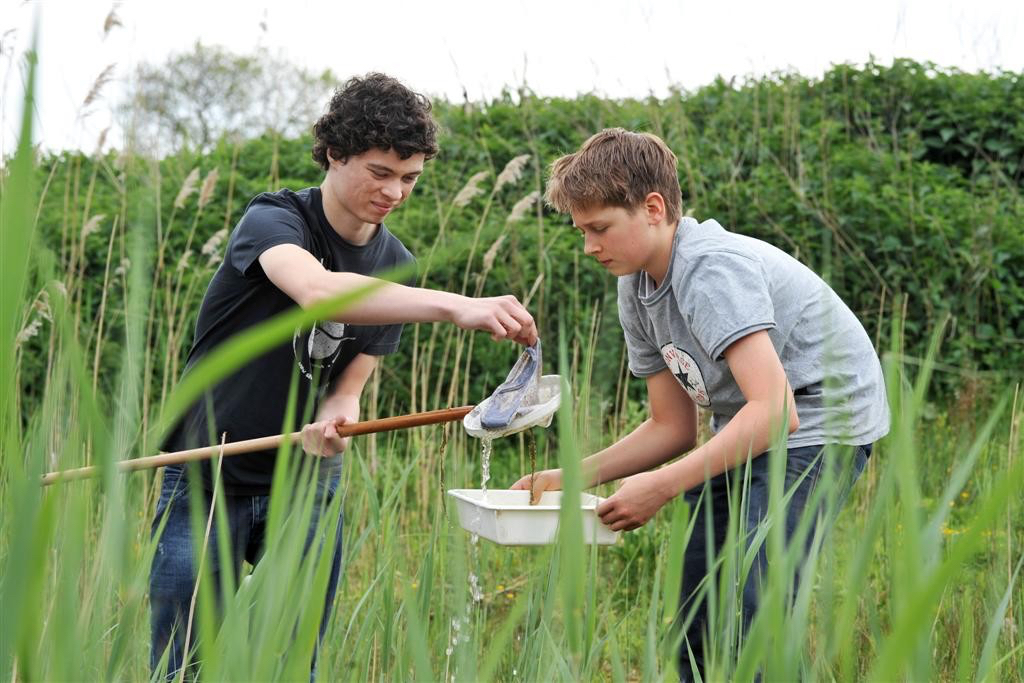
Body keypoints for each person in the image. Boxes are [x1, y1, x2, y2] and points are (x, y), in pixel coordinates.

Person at [150, 73, 537, 679]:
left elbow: (348, 389)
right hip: (206, 470)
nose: (395, 192)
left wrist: (335, 419)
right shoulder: (274, 219)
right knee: (182, 664)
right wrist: (455, 305)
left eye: (409, 178)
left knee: (292, 660)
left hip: (306, 481)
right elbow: (316, 291)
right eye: (380, 172)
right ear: (335, 154)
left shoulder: (398, 264)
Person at [510, 128, 888, 680]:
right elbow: (672, 427)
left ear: (654, 208)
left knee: (753, 600)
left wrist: (662, 486)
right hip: (748, 421)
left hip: (822, 422)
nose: (589, 246)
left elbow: (779, 412)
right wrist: (570, 477)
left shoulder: (711, 269)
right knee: (699, 605)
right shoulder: (635, 284)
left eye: (599, 228)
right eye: (582, 231)